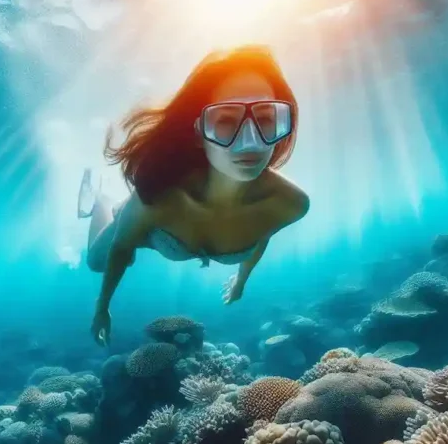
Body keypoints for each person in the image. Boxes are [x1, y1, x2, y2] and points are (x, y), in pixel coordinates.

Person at [78, 45, 310, 346]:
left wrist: (241, 280)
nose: (251, 142)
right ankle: (102, 200)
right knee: (95, 262)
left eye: (267, 118)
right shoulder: (160, 196)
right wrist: (102, 308)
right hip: (140, 220)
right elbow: (122, 248)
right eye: (226, 121)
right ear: (199, 132)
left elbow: (261, 232)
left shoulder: (290, 204)